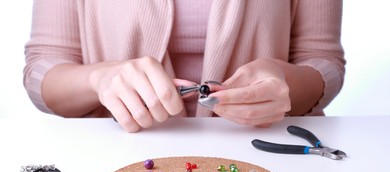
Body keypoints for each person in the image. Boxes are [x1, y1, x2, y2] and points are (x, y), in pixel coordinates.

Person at [23, 0, 345, 132]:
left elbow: (323, 61)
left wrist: (284, 81)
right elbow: (42, 72)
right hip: (115, 160)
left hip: (263, 159)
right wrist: (99, 79)